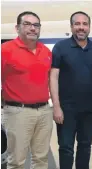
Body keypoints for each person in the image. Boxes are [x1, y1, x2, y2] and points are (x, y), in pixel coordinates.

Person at [49, 11, 92, 169]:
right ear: (72, 26)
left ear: (89, 27)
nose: (81, 27)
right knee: (66, 148)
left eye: (84, 24)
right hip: (66, 109)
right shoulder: (61, 47)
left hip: (89, 109)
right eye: (77, 24)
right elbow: (53, 77)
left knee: (85, 146)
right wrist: (56, 106)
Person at [1, 11, 53, 169]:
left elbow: (51, 79)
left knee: (41, 159)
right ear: (17, 28)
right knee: (17, 161)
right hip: (18, 112)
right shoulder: (5, 50)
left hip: (44, 111)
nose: (32, 28)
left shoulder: (46, 51)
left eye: (36, 25)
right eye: (27, 24)